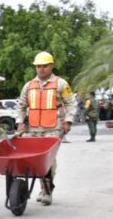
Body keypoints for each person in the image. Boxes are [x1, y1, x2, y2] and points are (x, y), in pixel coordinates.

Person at [15, 51, 76, 206]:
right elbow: (21, 106)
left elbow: (70, 103)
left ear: (51, 66)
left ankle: (47, 191)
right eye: (38, 66)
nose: (41, 69)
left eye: (45, 66)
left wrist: (68, 121)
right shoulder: (28, 86)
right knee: (34, 160)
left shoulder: (61, 83)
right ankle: (43, 189)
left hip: (53, 129)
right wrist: (20, 123)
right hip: (33, 129)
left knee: (48, 161)